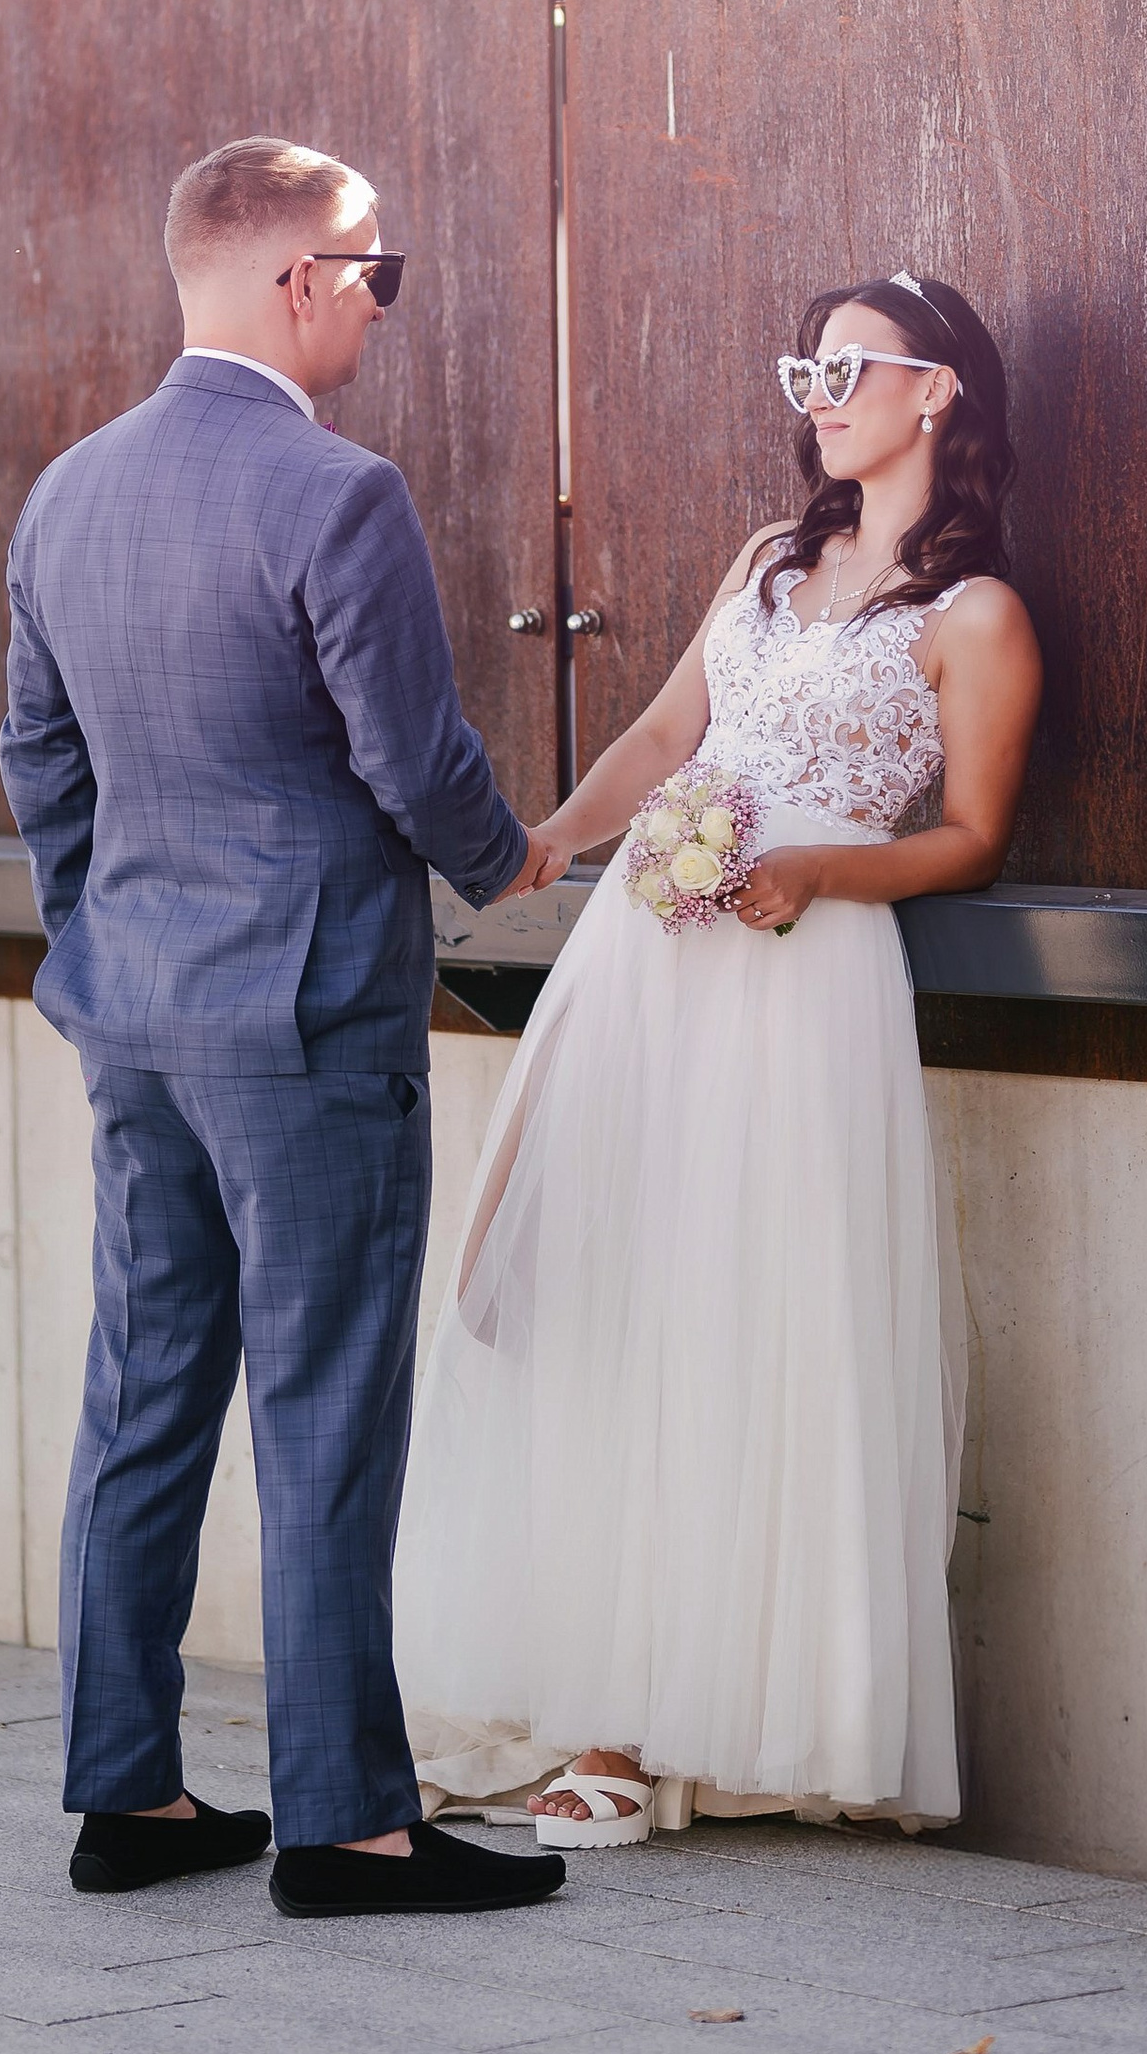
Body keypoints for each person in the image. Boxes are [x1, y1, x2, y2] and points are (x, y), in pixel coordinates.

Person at [395, 269, 1042, 1846]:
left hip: (800, 977)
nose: (816, 395)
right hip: (649, 958)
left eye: (846, 367)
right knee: (603, 1299)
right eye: (801, 371)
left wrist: (823, 870)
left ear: (937, 391)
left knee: (753, 1317)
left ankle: (692, 1721)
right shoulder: (765, 563)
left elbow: (969, 837)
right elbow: (670, 734)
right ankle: (591, 1695)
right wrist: (553, 838)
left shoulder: (978, 616)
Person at [0, 135, 568, 1922]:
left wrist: (111, 939)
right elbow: (410, 756)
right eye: (376, 273)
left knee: (144, 1393)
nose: (385, 307)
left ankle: (127, 1796)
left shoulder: (66, 493)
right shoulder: (337, 495)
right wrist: (513, 858)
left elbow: (41, 763)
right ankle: (346, 1827)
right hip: (309, 1017)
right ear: (298, 280)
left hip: (139, 1014)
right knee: (325, 1406)